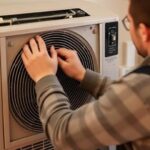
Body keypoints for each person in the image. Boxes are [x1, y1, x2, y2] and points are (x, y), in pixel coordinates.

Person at [21, 0, 150, 149]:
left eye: (129, 21)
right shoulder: (140, 92)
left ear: (143, 32)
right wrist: (83, 75)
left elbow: (62, 135)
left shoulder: (141, 92)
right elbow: (131, 101)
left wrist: (44, 76)